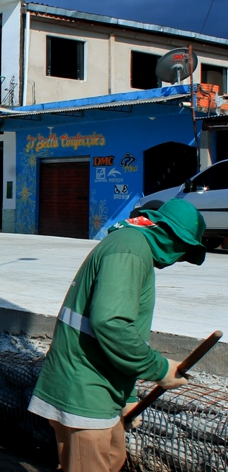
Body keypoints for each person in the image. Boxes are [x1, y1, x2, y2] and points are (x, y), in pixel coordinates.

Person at [28, 198, 205, 472]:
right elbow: (111, 324)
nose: (179, 259)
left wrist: (128, 395)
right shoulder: (131, 250)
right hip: (85, 390)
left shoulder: (131, 244)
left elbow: (123, 330)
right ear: (174, 238)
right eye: (184, 251)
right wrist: (159, 368)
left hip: (98, 385)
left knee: (113, 459)